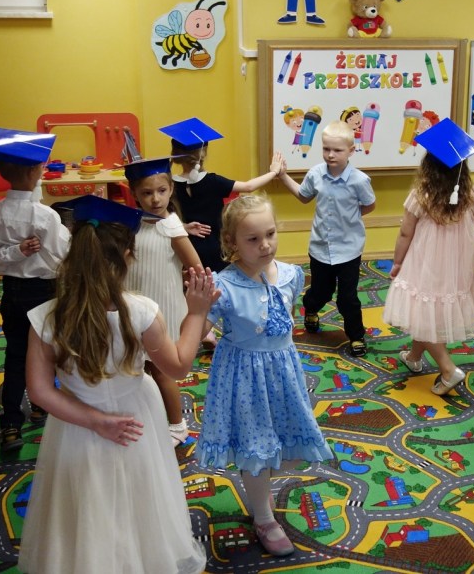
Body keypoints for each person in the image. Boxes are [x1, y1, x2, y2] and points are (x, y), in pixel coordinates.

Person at [19, 196, 215, 574]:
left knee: (86, 494)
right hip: (137, 416)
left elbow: (40, 392)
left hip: (76, 424)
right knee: (142, 491)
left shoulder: (46, 319)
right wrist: (196, 313)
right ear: (128, 256)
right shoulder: (142, 311)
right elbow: (177, 368)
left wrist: (94, 421)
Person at [194, 194, 333, 558]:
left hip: (283, 373)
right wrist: (197, 309)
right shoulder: (226, 285)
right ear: (232, 243)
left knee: (289, 442)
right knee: (255, 448)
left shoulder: (290, 274)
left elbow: (283, 319)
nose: (265, 245)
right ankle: (264, 518)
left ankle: (258, 490)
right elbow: (196, 332)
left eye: (270, 234)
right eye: (253, 239)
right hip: (244, 378)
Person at [384, 119, 474, 395]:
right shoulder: (470, 193)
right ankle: (414, 357)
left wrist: (398, 261)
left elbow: (405, 233)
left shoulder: (421, 194)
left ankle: (449, 369)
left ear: (428, 164)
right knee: (426, 312)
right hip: (457, 267)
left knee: (422, 309)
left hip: (426, 265)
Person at [0, 128, 71, 453]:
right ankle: (43, 405)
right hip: (44, 291)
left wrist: (15, 252)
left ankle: (10, 426)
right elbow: (63, 253)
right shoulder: (45, 216)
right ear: (35, 172)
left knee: (16, 355)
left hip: (11, 292)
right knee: (50, 352)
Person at [278, 121, 376, 356]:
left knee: (347, 298)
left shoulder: (359, 180)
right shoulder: (316, 174)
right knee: (321, 292)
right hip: (320, 247)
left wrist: (350, 218)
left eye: (337, 150)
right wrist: (282, 176)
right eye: (326, 149)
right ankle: (311, 308)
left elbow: (369, 205)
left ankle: (356, 335)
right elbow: (303, 196)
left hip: (349, 250)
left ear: (351, 151)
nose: (331, 155)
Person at [124, 157, 203, 446]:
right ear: (134, 193)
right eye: (147, 193)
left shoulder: (171, 227)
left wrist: (196, 303)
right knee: (139, 366)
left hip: (162, 309)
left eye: (161, 191)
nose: (155, 199)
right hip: (135, 306)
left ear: (171, 190)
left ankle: (178, 425)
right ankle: (152, 416)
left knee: (161, 370)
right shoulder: (133, 224)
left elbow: (195, 267)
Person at [161, 117, 283, 274]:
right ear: (203, 153)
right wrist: (274, 171)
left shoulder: (169, 186)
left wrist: (183, 226)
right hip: (214, 247)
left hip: (185, 246)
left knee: (192, 280)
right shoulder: (213, 181)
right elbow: (249, 186)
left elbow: (164, 216)